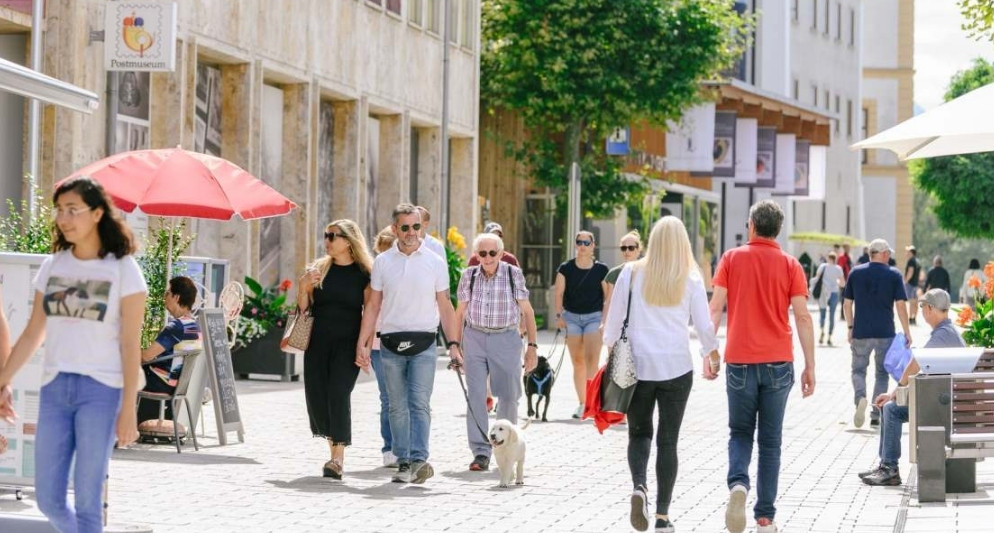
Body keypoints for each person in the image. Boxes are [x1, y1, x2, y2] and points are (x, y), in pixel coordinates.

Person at [0, 176, 147, 533]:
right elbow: (34, 331)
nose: (63, 219)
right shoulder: (54, 266)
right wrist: (2, 382)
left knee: (87, 497)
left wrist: (129, 407)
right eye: (59, 210)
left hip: (102, 390)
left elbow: (130, 344)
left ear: (97, 214)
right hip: (55, 389)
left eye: (73, 210)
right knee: (48, 498)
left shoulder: (123, 270)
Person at [603, 217, 719, 533]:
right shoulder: (691, 278)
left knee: (639, 434)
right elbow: (703, 324)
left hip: (638, 366)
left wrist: (609, 348)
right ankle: (663, 517)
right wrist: (712, 352)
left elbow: (614, 320)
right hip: (677, 367)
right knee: (668, 441)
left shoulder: (631, 271)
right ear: (683, 242)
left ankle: (639, 486)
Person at [708, 200, 815, 533]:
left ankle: (738, 484)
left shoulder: (731, 258)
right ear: (778, 229)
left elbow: (714, 310)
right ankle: (765, 516)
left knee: (740, 432)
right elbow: (802, 315)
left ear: (751, 225)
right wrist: (811, 365)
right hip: (778, 362)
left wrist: (709, 352)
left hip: (739, 359)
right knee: (770, 441)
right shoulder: (790, 265)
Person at [356, 203, 462, 485]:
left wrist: (454, 344)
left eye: (416, 226)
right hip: (390, 343)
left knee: (420, 403)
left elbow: (445, 305)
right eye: (405, 227)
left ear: (422, 227)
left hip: (424, 343)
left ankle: (419, 460)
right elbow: (373, 306)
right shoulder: (383, 262)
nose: (412, 232)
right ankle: (402, 460)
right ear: (395, 230)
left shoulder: (435, 262)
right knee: (396, 406)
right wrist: (363, 342)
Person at [861, 289, 965, 486]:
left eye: (922, 307)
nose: (922, 312)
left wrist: (895, 393)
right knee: (891, 407)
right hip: (947, 403)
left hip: (942, 407)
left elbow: (916, 364)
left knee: (892, 410)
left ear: (931, 309)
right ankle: (886, 465)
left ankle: (889, 469)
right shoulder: (948, 333)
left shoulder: (943, 335)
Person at [454, 232, 538, 472]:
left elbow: (528, 312)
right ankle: (481, 452)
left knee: (509, 395)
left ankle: (507, 448)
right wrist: (455, 345)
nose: (488, 257)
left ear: (501, 254)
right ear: (476, 255)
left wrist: (532, 347)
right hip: (475, 338)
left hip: (506, 337)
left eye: (492, 253)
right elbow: (459, 313)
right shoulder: (468, 276)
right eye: (482, 253)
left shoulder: (513, 274)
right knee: (477, 396)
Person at [297, 219, 373, 480]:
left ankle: (337, 459)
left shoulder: (365, 274)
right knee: (319, 397)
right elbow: (304, 309)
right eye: (326, 235)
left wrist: (365, 347)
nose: (327, 241)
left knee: (338, 393)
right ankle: (333, 453)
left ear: (348, 241)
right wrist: (303, 286)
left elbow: (370, 315)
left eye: (333, 236)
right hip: (317, 343)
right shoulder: (319, 269)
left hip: (347, 344)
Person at [843, 238, 911, 429]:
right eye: (888, 253)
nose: (889, 256)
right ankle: (875, 412)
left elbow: (847, 304)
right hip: (885, 333)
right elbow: (900, 306)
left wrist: (850, 327)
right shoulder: (894, 275)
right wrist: (907, 332)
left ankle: (860, 399)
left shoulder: (855, 273)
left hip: (861, 331)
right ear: (883, 254)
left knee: (858, 370)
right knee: (881, 374)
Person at [554, 230, 609, 419]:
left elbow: (608, 295)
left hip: (594, 317)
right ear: (575, 244)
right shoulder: (565, 268)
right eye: (579, 242)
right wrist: (558, 315)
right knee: (577, 362)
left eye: (587, 242)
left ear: (593, 245)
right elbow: (559, 293)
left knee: (592, 361)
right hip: (572, 318)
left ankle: (594, 404)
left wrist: (605, 318)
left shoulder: (602, 269)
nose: (583, 246)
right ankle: (582, 403)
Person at [138, 276, 202, 424]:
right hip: (176, 384)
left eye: (167, 293)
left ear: (176, 297)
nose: (164, 297)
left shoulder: (176, 327)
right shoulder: (194, 326)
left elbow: (146, 356)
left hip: (159, 382)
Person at [369, 225, 398, 467]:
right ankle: (390, 448)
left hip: (404, 342)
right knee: (388, 398)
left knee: (401, 398)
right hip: (379, 344)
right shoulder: (373, 274)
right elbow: (366, 311)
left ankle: (402, 447)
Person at [602, 230, 642, 318]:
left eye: (631, 248)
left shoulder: (647, 272)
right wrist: (604, 322)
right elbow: (609, 301)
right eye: (623, 248)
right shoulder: (614, 273)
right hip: (619, 320)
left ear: (638, 249)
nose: (627, 251)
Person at [812, 252, 845, 346]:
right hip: (834, 293)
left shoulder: (823, 266)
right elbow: (842, 283)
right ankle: (830, 337)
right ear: (835, 259)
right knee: (832, 315)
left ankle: (822, 331)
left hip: (823, 293)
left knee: (822, 313)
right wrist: (837, 282)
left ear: (828, 258)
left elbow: (817, 278)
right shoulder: (838, 268)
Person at [903, 245, 922, 325]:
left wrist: (905, 281)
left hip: (910, 284)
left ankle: (911, 318)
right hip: (916, 284)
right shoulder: (917, 261)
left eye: (908, 252)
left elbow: (910, 271)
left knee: (911, 302)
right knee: (915, 302)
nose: (906, 253)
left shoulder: (911, 261)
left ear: (911, 252)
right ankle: (914, 318)